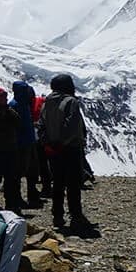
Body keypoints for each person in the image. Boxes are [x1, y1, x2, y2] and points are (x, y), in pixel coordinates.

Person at [38, 74, 92, 231]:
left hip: (53, 151)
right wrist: (63, 142)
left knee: (58, 184)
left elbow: (41, 124)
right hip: (70, 148)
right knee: (73, 185)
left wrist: (47, 143)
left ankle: (57, 216)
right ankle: (76, 217)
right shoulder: (71, 101)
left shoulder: (47, 101)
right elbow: (72, 124)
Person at [10, 80, 41, 207]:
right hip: (21, 144)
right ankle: (17, 198)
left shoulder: (23, 104)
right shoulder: (15, 105)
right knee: (19, 172)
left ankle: (32, 195)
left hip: (29, 141)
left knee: (32, 170)